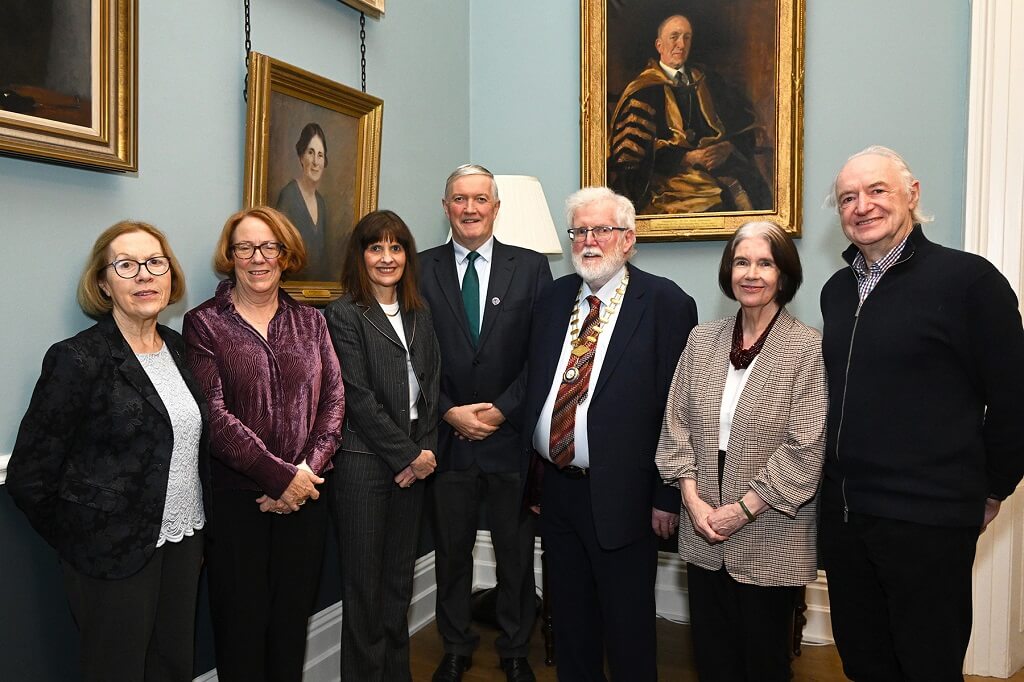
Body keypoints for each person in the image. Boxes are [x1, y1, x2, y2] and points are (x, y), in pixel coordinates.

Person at [819, 145, 1024, 680]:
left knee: (928, 664)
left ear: (912, 195)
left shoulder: (969, 282)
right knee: (864, 662)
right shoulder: (836, 292)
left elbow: (1013, 396)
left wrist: (993, 487)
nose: (861, 206)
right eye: (848, 197)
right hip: (847, 518)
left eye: (876, 190)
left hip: (928, 519)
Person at [7, 221, 209, 682]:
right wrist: (85, 538)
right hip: (111, 556)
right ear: (103, 282)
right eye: (127, 265)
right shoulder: (77, 358)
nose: (144, 275)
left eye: (155, 263)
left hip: (183, 538)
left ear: (171, 276)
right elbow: (29, 475)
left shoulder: (178, 348)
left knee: (173, 666)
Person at [522, 186, 698, 681]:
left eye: (602, 230)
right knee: (571, 622)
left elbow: (676, 408)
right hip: (557, 491)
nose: (588, 241)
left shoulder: (666, 303)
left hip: (626, 492)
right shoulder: (553, 299)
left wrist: (666, 495)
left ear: (629, 239)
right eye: (579, 231)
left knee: (628, 628)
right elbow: (540, 383)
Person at [655, 221, 827, 681]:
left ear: (784, 274)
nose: (751, 273)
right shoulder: (702, 340)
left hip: (771, 526)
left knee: (764, 662)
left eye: (765, 263)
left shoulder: (807, 347)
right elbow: (676, 426)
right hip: (702, 522)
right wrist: (692, 501)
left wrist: (742, 511)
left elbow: (807, 446)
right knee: (712, 657)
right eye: (741, 262)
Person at [184, 206, 345, 682]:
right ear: (230, 256)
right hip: (239, 502)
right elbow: (213, 416)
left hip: (308, 497)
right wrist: (279, 477)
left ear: (285, 253)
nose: (258, 258)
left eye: (268, 246)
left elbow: (334, 403)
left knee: (289, 627)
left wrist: (302, 475)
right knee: (241, 628)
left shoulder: (312, 322)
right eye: (245, 247)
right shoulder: (204, 323)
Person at [419, 164, 552, 682]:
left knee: (515, 553)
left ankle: (516, 648)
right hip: (448, 438)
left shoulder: (531, 267)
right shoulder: (419, 268)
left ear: (497, 207)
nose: (470, 208)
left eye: (480, 199)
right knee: (451, 553)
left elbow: (542, 353)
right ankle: (455, 644)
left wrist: (503, 409)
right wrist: (447, 409)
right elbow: (413, 352)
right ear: (445, 206)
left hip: (510, 438)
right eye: (459, 199)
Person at [323, 210, 441, 680]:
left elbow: (432, 385)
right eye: (376, 247)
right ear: (361, 255)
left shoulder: (419, 312)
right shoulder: (344, 314)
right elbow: (357, 398)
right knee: (365, 592)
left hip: (415, 462)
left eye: (396, 247)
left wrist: (425, 453)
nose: (387, 257)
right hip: (363, 467)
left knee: (398, 585)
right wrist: (408, 456)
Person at [608, 14, 771, 214]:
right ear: (659, 45)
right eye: (674, 37)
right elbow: (630, 159)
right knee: (715, 203)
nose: (681, 44)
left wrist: (727, 147)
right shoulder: (643, 91)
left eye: (687, 37)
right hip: (667, 178)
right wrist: (687, 158)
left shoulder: (707, 80)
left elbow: (743, 123)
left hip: (719, 167)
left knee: (757, 192)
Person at [275, 122, 332, 281]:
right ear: (301, 157)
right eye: (310, 152)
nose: (315, 161)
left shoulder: (321, 203)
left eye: (320, 155)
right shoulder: (288, 196)